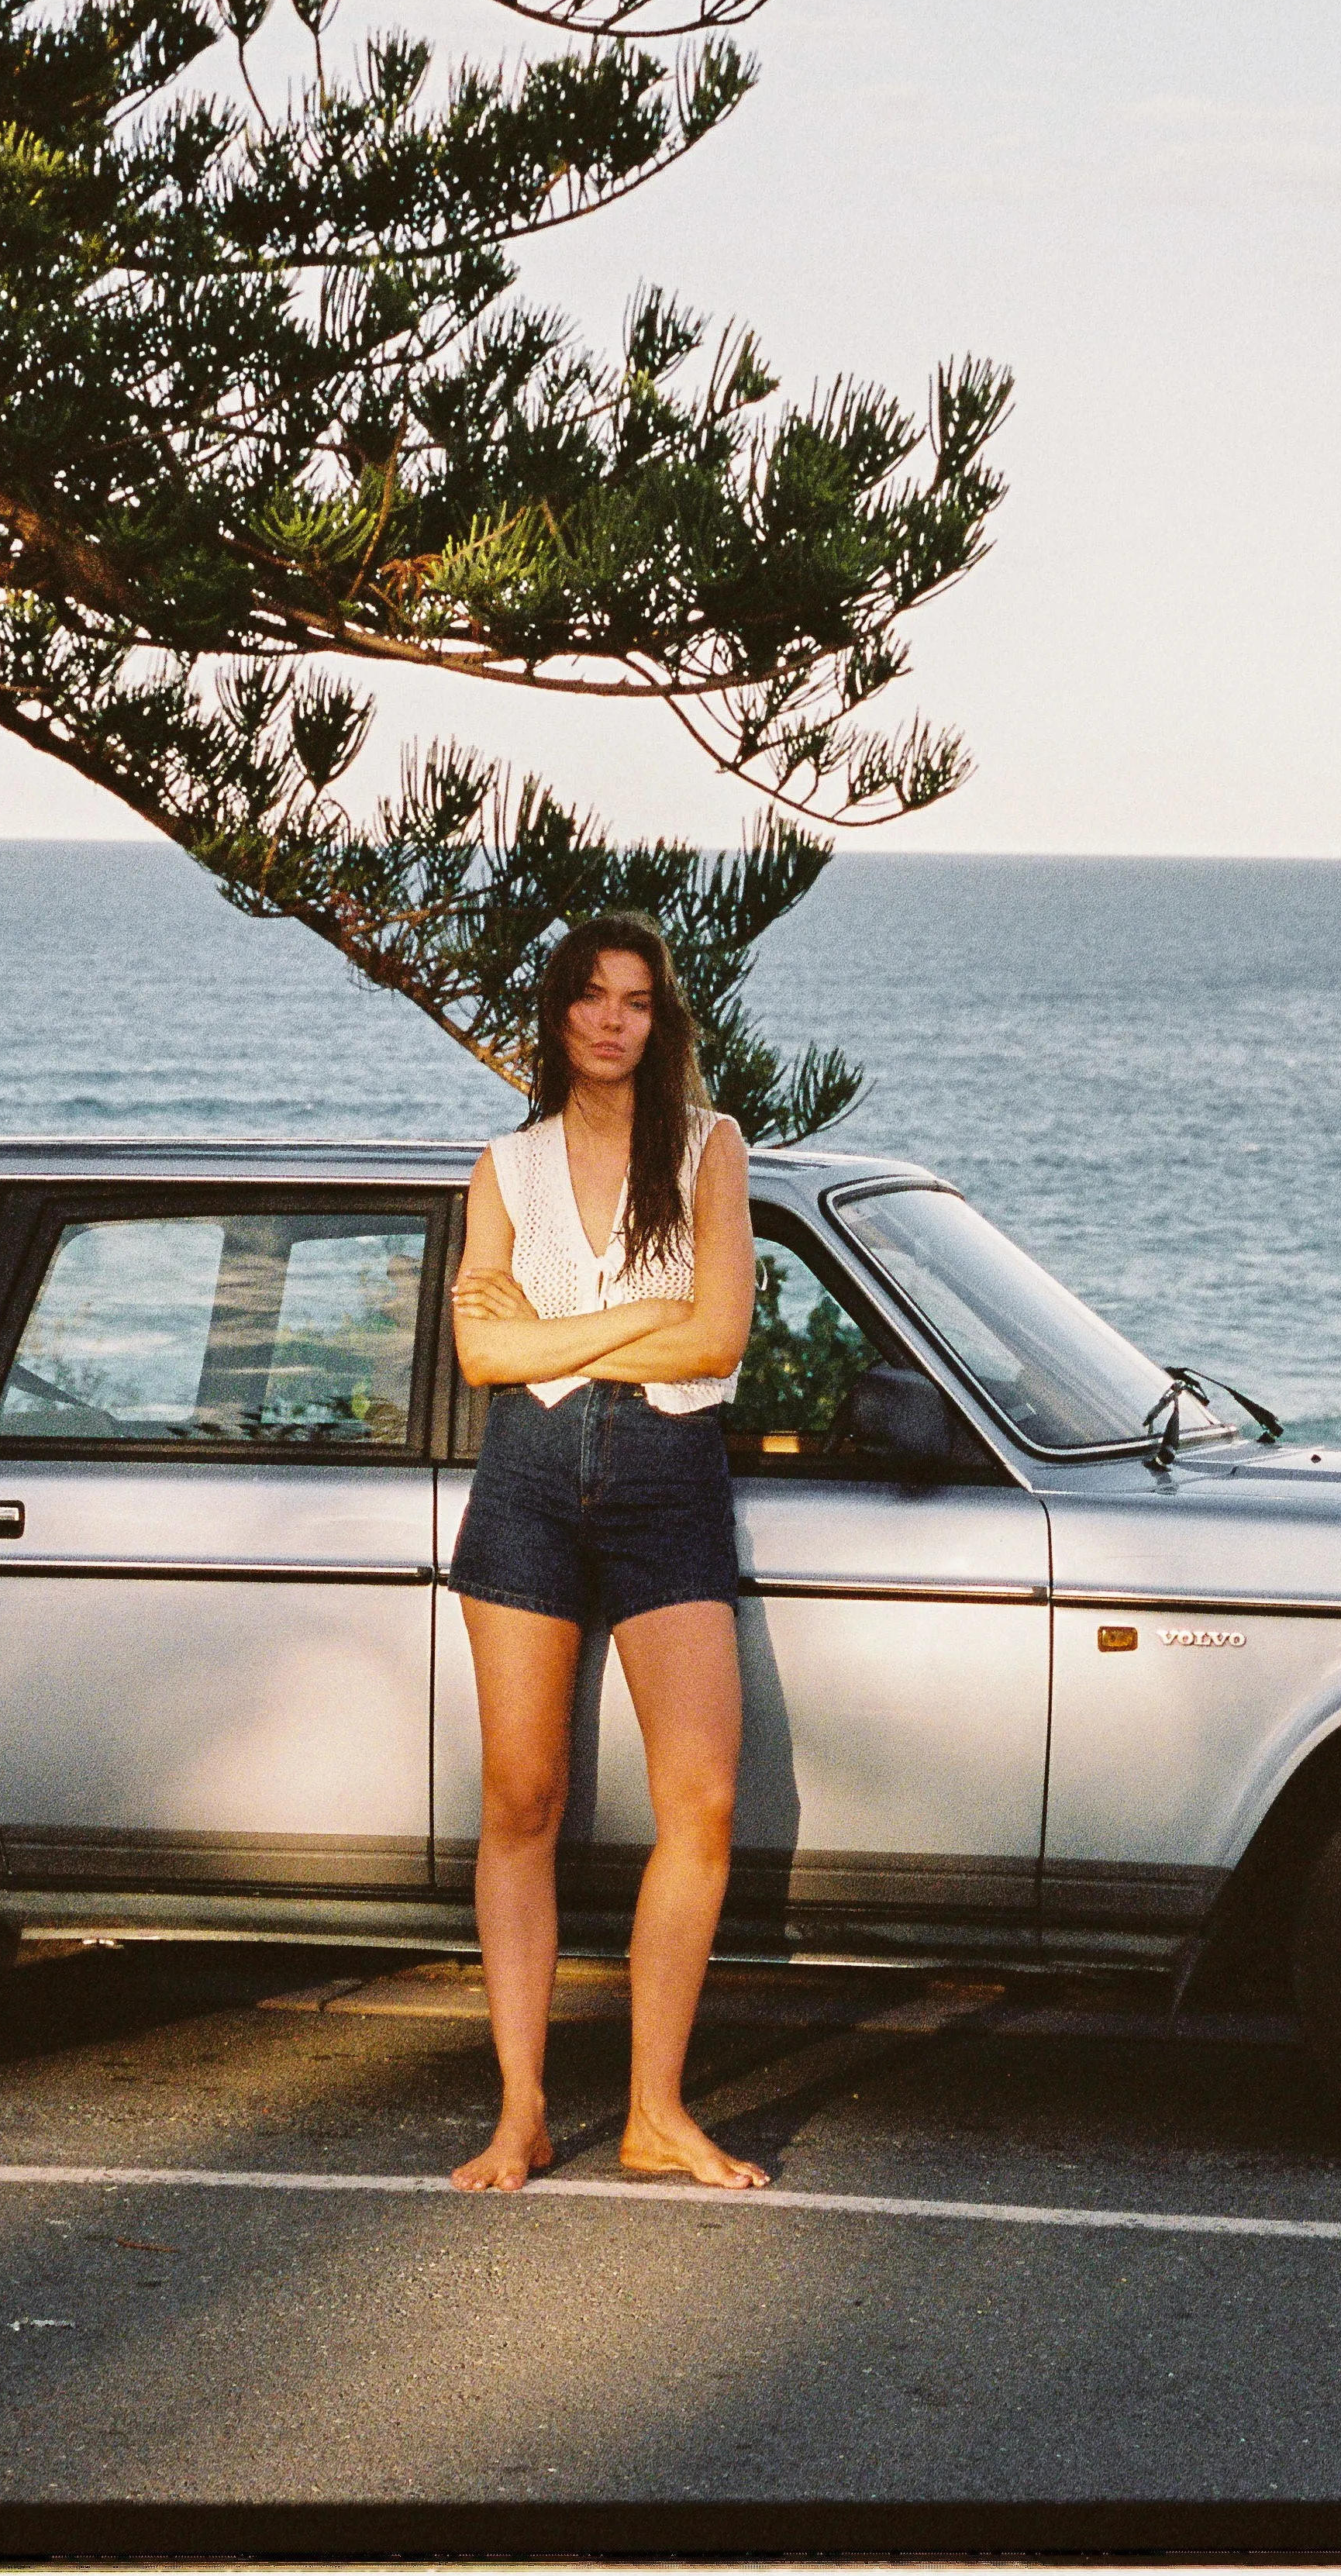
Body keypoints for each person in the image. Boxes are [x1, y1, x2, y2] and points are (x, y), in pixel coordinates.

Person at [441, 916, 767, 2192]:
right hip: (524, 1481)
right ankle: (520, 2108)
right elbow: (480, 1356)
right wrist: (645, 1314)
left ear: (659, 1018)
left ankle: (652, 2108)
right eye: (590, 996)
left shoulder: (705, 1148)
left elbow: (717, 1338)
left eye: (636, 999)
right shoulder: (504, 1167)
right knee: (520, 1799)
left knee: (702, 1799)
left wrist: (564, 1331)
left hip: (667, 1478)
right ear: (558, 1012)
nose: (612, 1019)